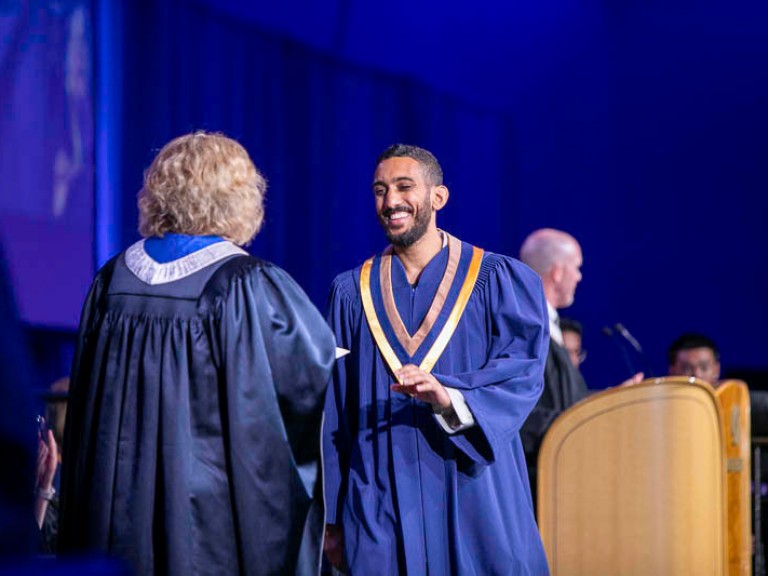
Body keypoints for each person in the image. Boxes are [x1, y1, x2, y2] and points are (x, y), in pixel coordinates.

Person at [59, 132, 336, 575]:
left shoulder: (112, 279)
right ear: (240, 197)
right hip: (204, 525)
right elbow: (302, 385)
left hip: (110, 516)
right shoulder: (245, 283)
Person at [322, 144, 550, 574]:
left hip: (472, 492)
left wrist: (451, 399)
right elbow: (333, 407)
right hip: (378, 496)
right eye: (379, 189)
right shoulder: (351, 294)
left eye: (404, 187)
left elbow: (520, 376)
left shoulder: (498, 280)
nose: (390, 201)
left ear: (437, 197)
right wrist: (331, 518)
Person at [518, 228, 642, 506]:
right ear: (558, 272)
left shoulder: (544, 325)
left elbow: (561, 400)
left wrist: (610, 400)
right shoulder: (526, 327)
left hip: (559, 477)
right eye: (577, 268)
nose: (580, 276)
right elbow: (525, 411)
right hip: (539, 486)